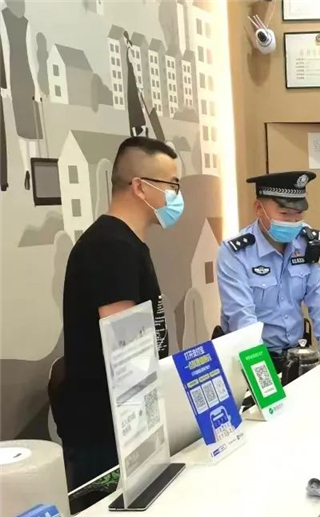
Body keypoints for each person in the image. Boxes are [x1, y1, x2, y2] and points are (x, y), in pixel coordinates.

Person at [57, 137, 183, 489]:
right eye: (172, 185)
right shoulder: (110, 248)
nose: (176, 196)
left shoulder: (128, 244)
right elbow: (126, 353)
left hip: (130, 421)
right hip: (108, 432)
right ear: (140, 187)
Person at [217, 171, 320, 376]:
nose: (293, 221)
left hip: (296, 355)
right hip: (251, 359)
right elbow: (242, 319)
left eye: (298, 214)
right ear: (259, 209)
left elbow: (319, 301)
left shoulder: (306, 242)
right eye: (284, 214)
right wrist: (264, 375)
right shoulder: (235, 253)